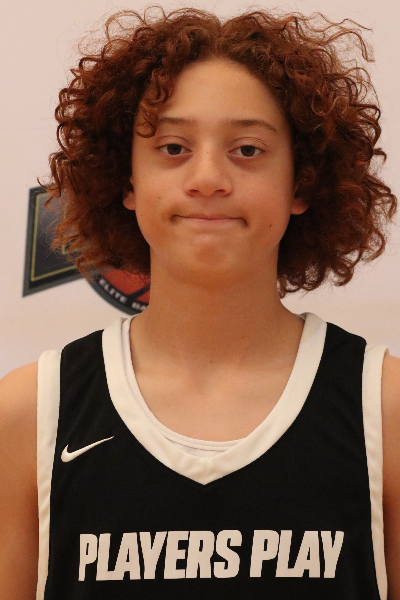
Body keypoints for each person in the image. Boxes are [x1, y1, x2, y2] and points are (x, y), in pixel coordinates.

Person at [0, 5, 399, 599]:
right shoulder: (30, 414)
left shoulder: (385, 411)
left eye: (247, 150)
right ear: (127, 181)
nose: (208, 177)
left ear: (302, 182)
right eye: (172, 148)